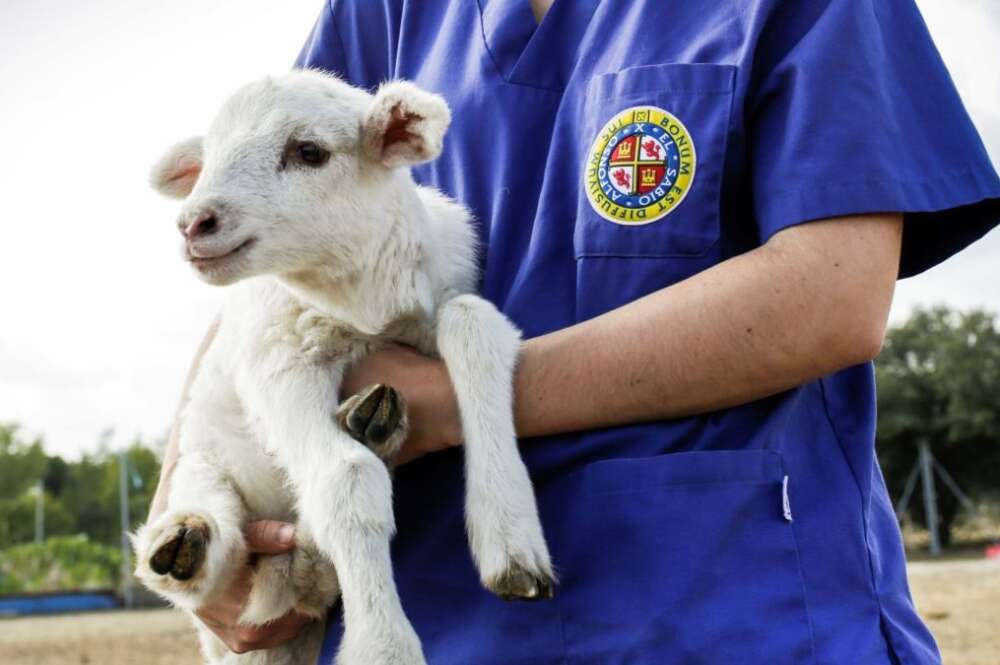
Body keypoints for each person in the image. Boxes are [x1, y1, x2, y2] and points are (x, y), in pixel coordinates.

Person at [149, 0, 1000, 662]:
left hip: (727, 618)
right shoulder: (387, 12)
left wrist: (458, 403)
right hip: (429, 625)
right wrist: (189, 481)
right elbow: (272, 258)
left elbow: (833, 293)